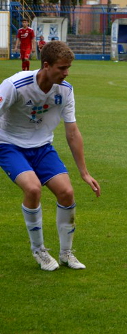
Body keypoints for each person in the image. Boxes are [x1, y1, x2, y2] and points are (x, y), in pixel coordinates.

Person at [0, 40, 101, 271]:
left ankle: (66, 253)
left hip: (42, 147)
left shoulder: (65, 90)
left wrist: (84, 173)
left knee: (67, 192)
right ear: (46, 65)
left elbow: (72, 131)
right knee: (33, 188)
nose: (66, 73)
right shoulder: (15, 85)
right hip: (9, 144)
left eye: (68, 68)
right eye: (61, 68)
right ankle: (39, 251)